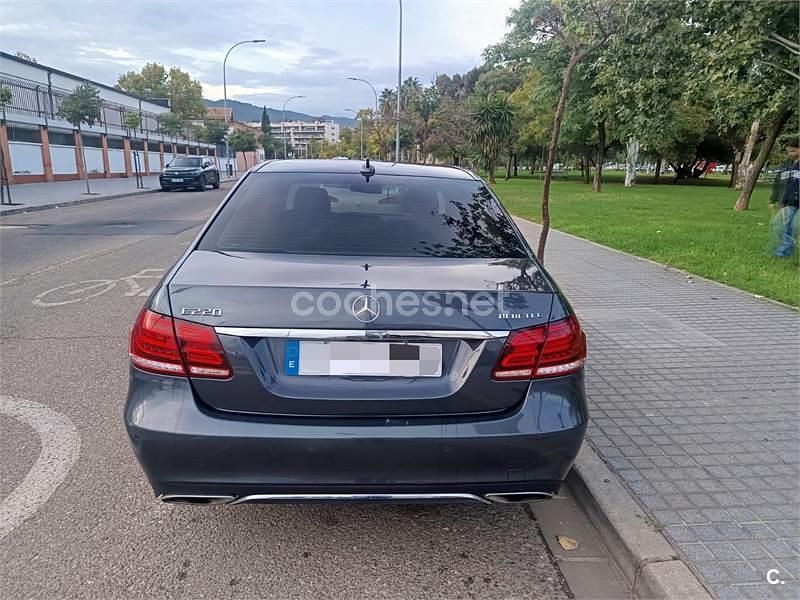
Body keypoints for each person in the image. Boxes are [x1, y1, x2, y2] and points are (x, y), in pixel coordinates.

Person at [771, 136, 800, 258]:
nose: (790, 154)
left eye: (793, 151)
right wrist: (779, 199)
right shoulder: (787, 166)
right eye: (788, 151)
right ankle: (784, 252)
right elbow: (782, 184)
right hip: (790, 202)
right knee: (787, 226)